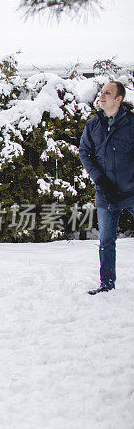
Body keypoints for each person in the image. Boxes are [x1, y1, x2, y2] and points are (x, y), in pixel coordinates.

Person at [78, 81, 134, 295]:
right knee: (107, 242)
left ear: (118, 99)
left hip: (132, 191)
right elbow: (85, 152)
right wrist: (99, 180)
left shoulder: (131, 123)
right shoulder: (93, 125)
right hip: (106, 194)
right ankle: (107, 285)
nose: (101, 96)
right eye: (101, 92)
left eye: (107, 93)